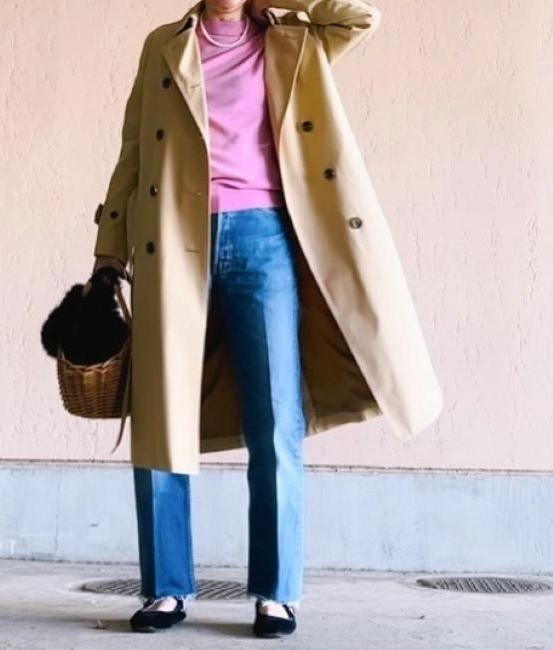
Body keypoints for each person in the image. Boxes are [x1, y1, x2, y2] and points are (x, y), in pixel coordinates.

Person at [93, 0, 383, 638]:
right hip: (173, 235)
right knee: (161, 412)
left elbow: (360, 17)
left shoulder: (292, 39)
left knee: (276, 415)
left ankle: (276, 592)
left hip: (264, 236)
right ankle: (166, 587)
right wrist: (108, 250)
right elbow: (133, 150)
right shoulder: (164, 45)